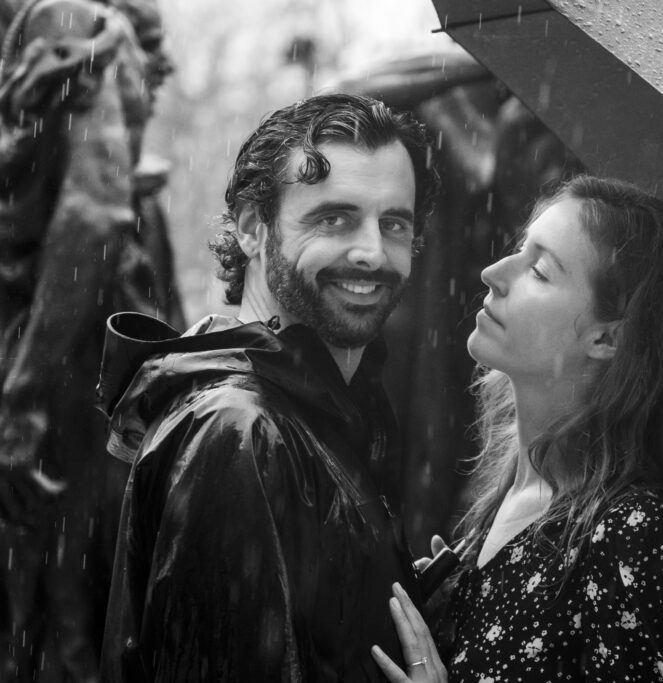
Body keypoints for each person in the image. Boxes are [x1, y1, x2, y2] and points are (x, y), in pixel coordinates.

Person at [97, 93, 439, 681]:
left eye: (394, 223)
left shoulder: (322, 407)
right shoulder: (239, 430)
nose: (372, 252)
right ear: (254, 230)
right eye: (334, 218)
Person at [371, 175, 663, 682]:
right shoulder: (511, 501)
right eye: (520, 251)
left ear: (607, 338)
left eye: (539, 271)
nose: (493, 272)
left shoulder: (636, 535)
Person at [0, 0, 180, 679]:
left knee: (54, 599)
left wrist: (23, 398)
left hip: (53, 369)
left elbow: (91, 215)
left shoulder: (68, 23)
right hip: (51, 358)